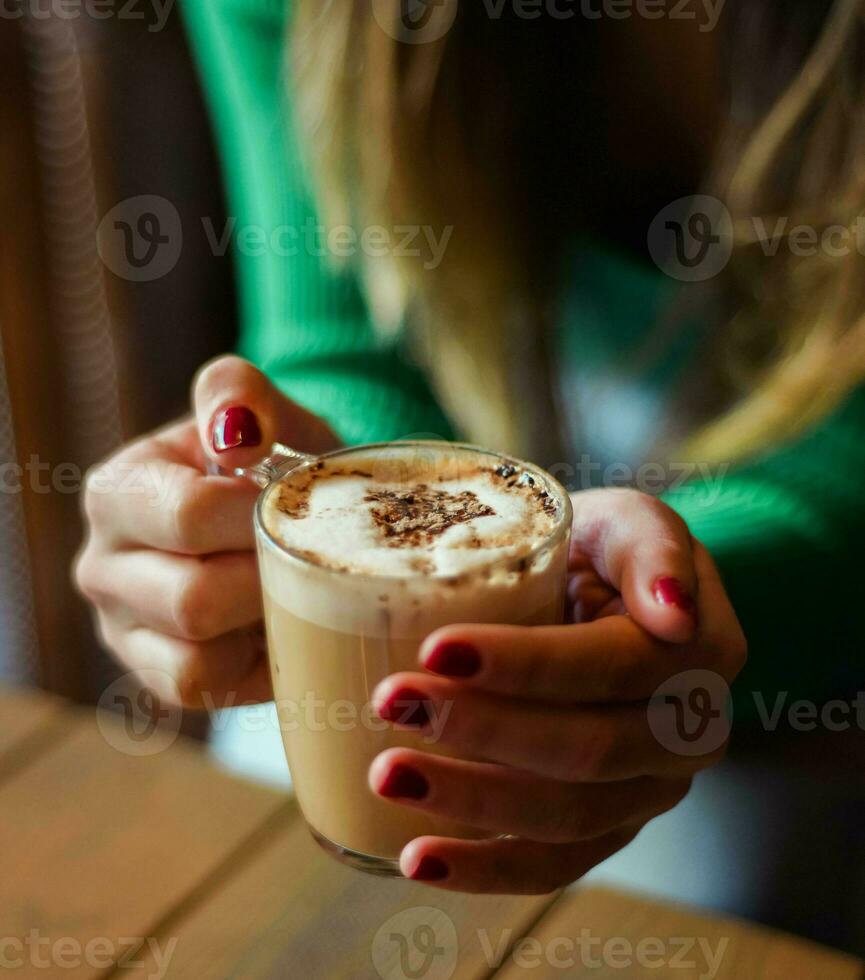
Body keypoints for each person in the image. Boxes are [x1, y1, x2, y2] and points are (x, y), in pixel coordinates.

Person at [76, 0, 865, 901]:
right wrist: (308, 478)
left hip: (797, 677)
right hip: (449, 614)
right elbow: (343, 332)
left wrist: (671, 600)